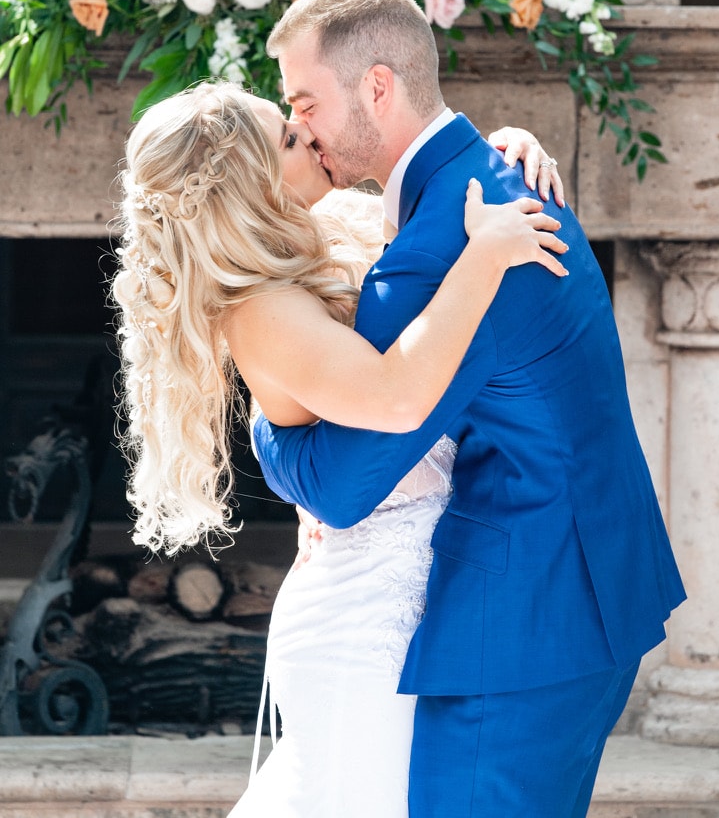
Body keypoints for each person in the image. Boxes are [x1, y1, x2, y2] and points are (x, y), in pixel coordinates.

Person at [251, 0, 686, 818]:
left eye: (304, 102)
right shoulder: (483, 178)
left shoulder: (436, 242)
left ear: (376, 86)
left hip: (522, 628)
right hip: (584, 586)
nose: (300, 127)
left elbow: (343, 487)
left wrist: (267, 429)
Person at [111, 80, 567, 813]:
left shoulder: (324, 234)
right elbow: (395, 397)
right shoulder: (259, 309)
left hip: (415, 601)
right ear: (247, 188)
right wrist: (486, 257)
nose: (304, 130)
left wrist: (504, 153)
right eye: (286, 139)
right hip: (361, 632)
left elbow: (430, 219)